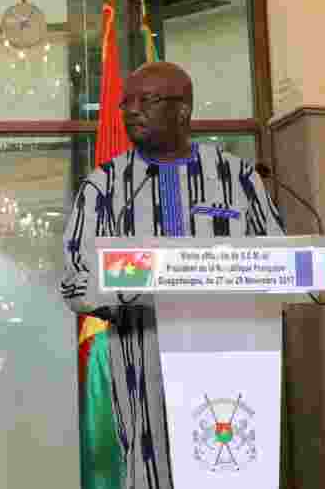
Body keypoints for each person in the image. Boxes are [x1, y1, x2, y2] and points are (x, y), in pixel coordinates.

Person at [60, 61, 284, 489]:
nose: (131, 111)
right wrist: (140, 283)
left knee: (228, 469)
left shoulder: (236, 177)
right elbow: (74, 281)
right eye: (127, 102)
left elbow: (278, 261)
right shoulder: (103, 187)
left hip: (230, 364)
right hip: (142, 371)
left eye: (148, 101)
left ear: (183, 110)